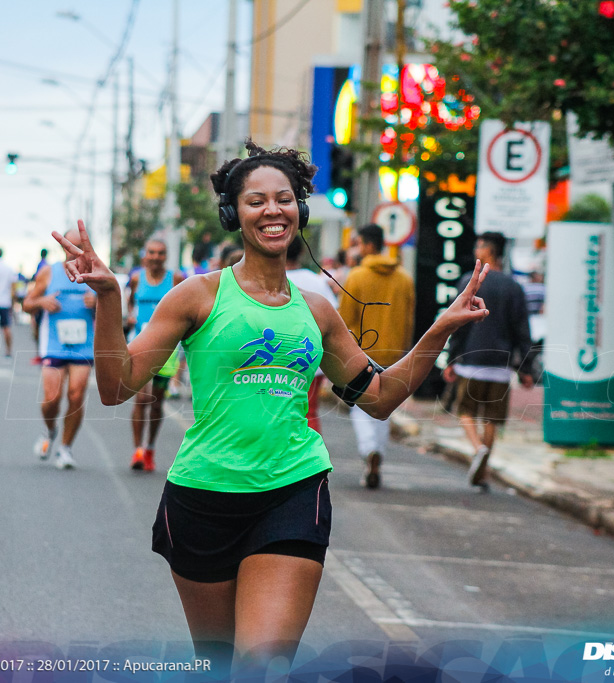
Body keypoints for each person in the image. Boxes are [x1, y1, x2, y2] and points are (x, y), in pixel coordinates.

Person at [51, 141, 490, 674]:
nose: (272, 211)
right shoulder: (197, 295)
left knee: (262, 663)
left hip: (292, 489)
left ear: (300, 210)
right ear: (233, 213)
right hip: (202, 497)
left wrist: (439, 329)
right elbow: (116, 386)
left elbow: (378, 399)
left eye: (284, 199)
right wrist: (110, 298)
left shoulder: (317, 310)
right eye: (255, 201)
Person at [443, 231, 534, 488]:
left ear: (489, 251)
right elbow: (522, 330)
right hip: (500, 367)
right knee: (492, 418)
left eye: (479, 247)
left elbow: (456, 324)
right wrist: (525, 368)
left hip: (470, 361)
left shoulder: (468, 283)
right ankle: (483, 468)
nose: (475, 252)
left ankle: (477, 450)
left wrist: (451, 359)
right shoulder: (514, 287)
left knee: (465, 411)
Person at [338, 224, 415, 489]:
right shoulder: (404, 278)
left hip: (361, 352)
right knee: (385, 407)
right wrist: (404, 350)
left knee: (361, 406)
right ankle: (377, 454)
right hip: (394, 352)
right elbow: (408, 319)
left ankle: (369, 449)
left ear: (368, 245)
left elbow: (345, 319)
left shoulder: (356, 276)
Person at [23, 229, 97, 470]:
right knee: (51, 398)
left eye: (80, 247)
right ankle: (50, 429)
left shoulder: (96, 273)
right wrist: (41, 302)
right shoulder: (49, 272)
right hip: (54, 343)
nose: (75, 251)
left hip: (84, 345)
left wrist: (99, 302)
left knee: (76, 395)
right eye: (70, 246)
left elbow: (116, 308)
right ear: (64, 248)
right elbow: (27, 303)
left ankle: (65, 448)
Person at [127, 238, 185, 472]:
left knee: (157, 401)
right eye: (151, 252)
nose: (155, 257)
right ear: (145, 254)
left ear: (166, 255)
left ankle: (150, 446)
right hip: (140, 344)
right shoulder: (136, 278)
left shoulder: (176, 279)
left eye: (160, 253)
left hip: (166, 347)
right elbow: (131, 302)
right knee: (141, 398)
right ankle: (137, 450)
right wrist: (130, 317)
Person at [285, 236, 338, 434]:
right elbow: (334, 318)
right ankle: (313, 462)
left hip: (273, 360)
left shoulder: (267, 280)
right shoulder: (317, 281)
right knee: (309, 412)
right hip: (309, 358)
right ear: (301, 252)